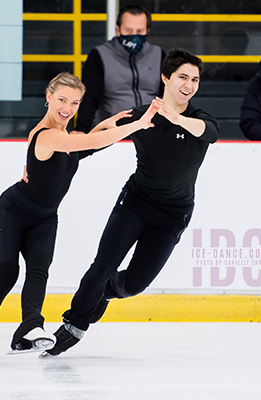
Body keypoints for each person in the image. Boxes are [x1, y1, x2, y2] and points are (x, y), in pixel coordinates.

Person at [0, 72, 158, 363]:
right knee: (6, 275)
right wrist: (135, 126)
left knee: (39, 270)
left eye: (74, 102)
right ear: (48, 97)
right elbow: (82, 145)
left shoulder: (66, 137)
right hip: (13, 212)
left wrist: (109, 123)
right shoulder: (46, 136)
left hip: (45, 218)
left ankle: (30, 328)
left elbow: (87, 147)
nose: (67, 108)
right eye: (61, 100)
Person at [43, 48, 219, 357]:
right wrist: (99, 129)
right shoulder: (140, 115)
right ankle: (74, 325)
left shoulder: (199, 119)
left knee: (134, 284)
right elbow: (96, 138)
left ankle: (106, 293)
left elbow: (211, 134)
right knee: (102, 265)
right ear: (165, 77)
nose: (189, 85)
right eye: (182, 77)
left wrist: (176, 117)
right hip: (136, 201)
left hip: (173, 214)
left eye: (195, 79)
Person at [75, 4, 165, 133]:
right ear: (118, 30)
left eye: (139, 31)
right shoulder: (100, 55)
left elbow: (171, 95)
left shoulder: (158, 55)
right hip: (113, 132)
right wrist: (81, 130)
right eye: (128, 30)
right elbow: (90, 97)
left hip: (151, 130)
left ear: (147, 31)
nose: (134, 36)